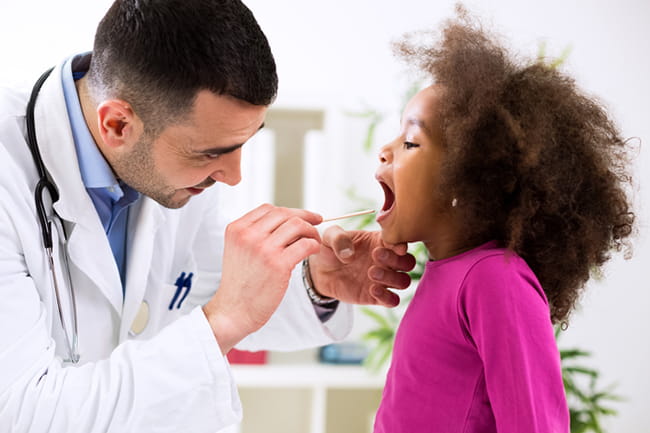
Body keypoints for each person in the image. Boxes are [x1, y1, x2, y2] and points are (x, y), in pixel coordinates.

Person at [0, 1, 416, 432]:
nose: (234, 177)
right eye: (212, 153)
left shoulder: (171, 166)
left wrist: (313, 283)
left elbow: (198, 293)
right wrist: (224, 321)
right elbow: (24, 414)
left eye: (243, 143)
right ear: (118, 125)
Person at [371, 7, 635, 433]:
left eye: (410, 142)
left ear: (464, 177)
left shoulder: (495, 280)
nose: (385, 150)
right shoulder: (446, 272)